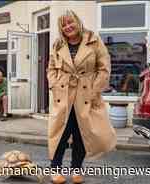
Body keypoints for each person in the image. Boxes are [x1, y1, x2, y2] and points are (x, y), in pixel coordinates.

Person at [47, 10, 116, 184]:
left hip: (86, 93)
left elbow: (104, 67)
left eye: (70, 22)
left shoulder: (94, 40)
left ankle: (76, 169)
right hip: (63, 93)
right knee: (60, 133)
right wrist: (54, 85)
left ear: (77, 22)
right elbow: (51, 68)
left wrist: (94, 90)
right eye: (64, 24)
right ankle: (55, 169)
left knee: (82, 133)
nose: (68, 27)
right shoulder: (57, 44)